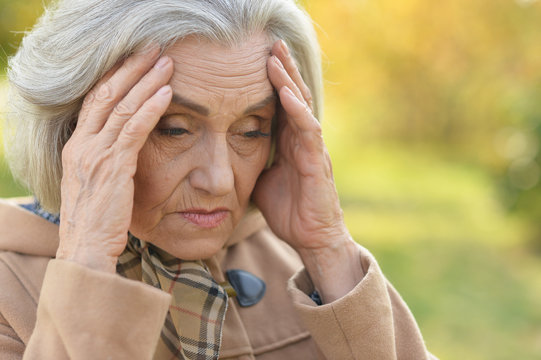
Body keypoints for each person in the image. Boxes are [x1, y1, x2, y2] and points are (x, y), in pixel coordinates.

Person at [0, 0, 436, 359]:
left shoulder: (304, 266)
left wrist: (329, 248)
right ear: (75, 133)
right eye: (174, 128)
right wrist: (86, 262)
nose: (220, 179)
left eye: (251, 130)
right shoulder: (8, 288)